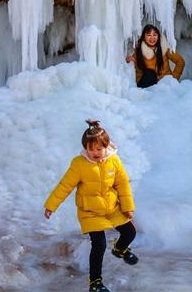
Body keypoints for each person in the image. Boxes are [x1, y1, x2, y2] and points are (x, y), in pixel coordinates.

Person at [44, 120, 137, 292]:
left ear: (106, 146)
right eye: (90, 149)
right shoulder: (79, 164)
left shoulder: (114, 161)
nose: (94, 152)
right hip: (90, 211)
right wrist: (51, 205)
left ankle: (120, 249)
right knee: (99, 244)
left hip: (112, 207)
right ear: (85, 148)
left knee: (130, 232)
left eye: (98, 149)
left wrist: (127, 207)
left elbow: (123, 184)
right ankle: (95, 283)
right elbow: (65, 185)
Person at [124, 24, 185, 88]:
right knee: (150, 73)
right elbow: (128, 62)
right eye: (149, 35)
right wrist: (128, 60)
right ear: (144, 37)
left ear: (158, 36)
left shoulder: (164, 49)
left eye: (154, 35)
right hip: (145, 85)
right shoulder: (139, 50)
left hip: (165, 85)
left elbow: (180, 61)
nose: (152, 38)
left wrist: (173, 79)